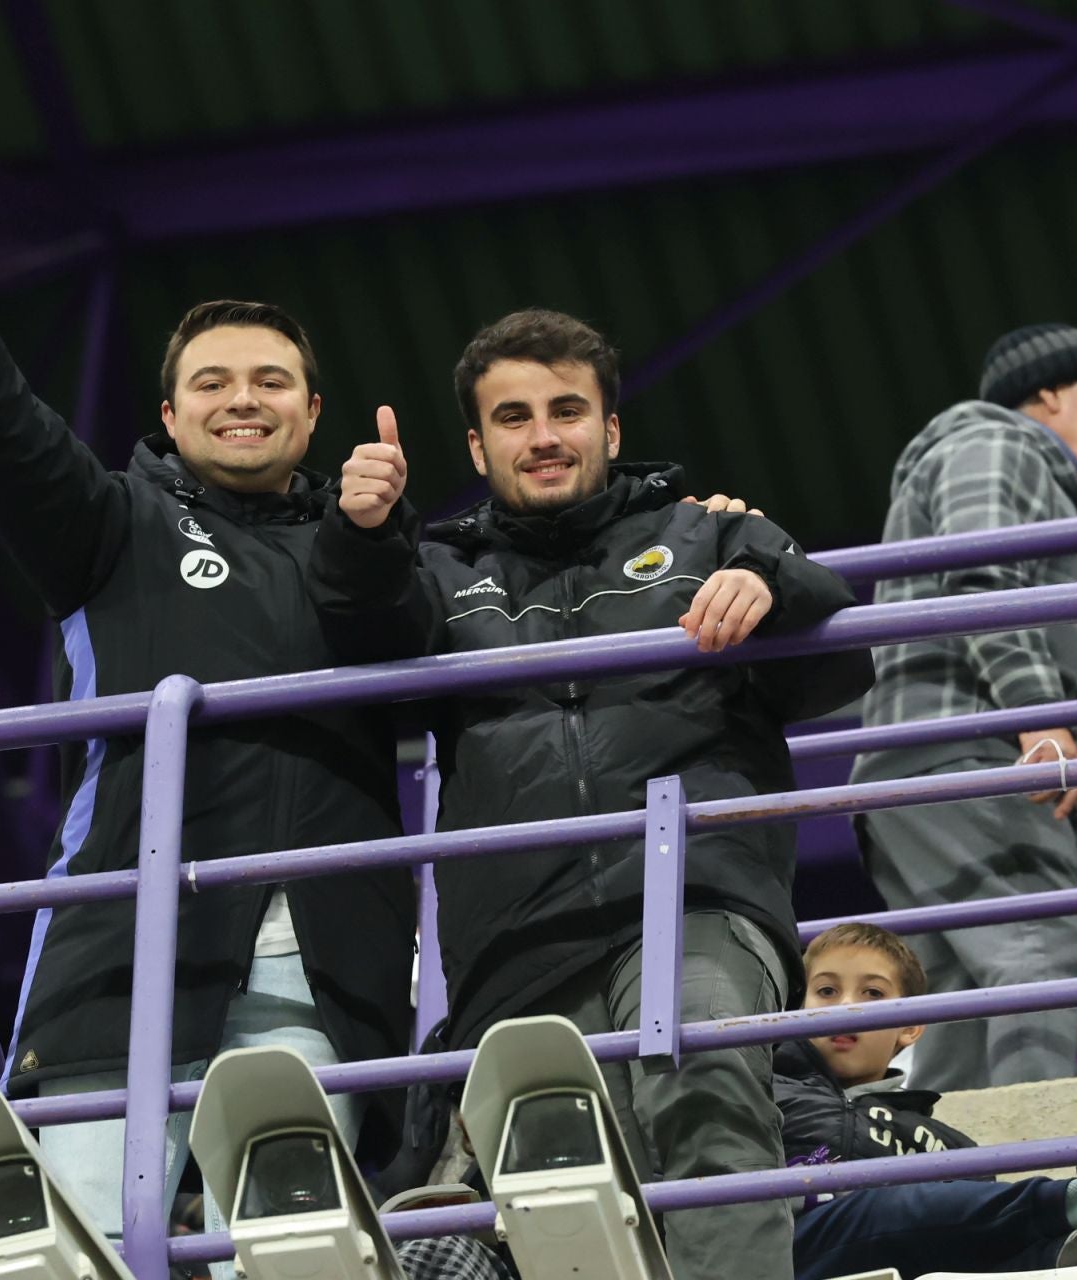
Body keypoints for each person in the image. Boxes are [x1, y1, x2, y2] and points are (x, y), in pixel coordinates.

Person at [0, 207, 415, 1257]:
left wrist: (374, 534)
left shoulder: (371, 551)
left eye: (269, 381)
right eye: (212, 382)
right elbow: (2, 431)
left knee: (294, 1256)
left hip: (320, 971)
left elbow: (455, 628)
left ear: (311, 414)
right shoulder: (112, 524)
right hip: (119, 960)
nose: (242, 399)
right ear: (169, 414)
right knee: (86, 1253)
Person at [308, 308, 875, 1280]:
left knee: (710, 1099)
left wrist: (776, 588)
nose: (543, 434)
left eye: (568, 409)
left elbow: (838, 667)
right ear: (479, 443)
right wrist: (362, 532)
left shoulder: (711, 532)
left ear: (610, 430)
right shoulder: (439, 573)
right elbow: (357, 634)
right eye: (515, 416)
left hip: (692, 895)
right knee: (559, 1200)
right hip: (515, 943)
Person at [850, 323, 1077, 1090]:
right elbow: (978, 573)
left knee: (966, 994)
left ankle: (946, 1187)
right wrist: (1040, 716)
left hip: (932, 759)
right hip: (977, 752)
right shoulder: (1002, 444)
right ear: (1049, 397)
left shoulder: (1018, 467)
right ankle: (1039, 1172)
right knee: (1046, 950)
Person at [780, 922, 1077, 1278]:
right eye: (826, 991)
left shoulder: (948, 1143)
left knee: (979, 1255)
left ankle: (1075, 1251)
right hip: (792, 1247)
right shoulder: (765, 1090)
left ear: (910, 1027)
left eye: (872, 993)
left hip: (904, 1258)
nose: (846, 1007)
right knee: (887, 1204)